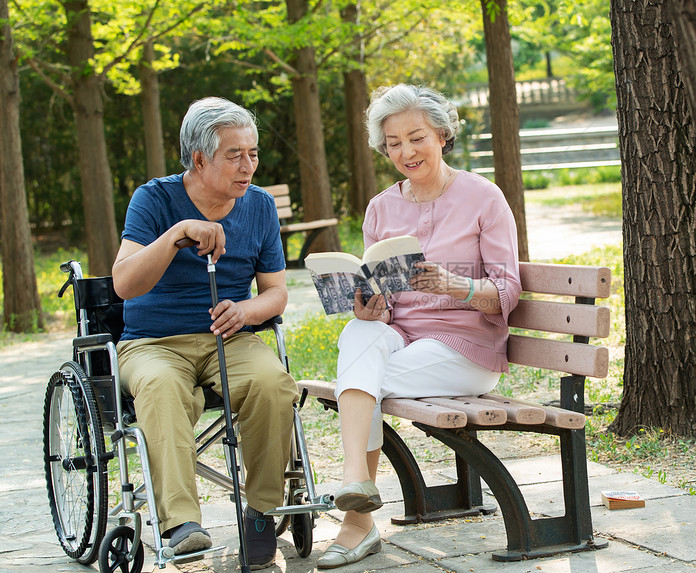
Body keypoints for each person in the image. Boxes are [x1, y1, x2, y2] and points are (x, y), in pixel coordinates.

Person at [318, 84, 522, 569]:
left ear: (442, 136)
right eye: (393, 143)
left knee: (359, 382)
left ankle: (357, 519)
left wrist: (461, 287)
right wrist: (369, 308)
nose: (406, 151)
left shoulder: (483, 197)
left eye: (416, 138)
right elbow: (382, 303)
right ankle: (358, 487)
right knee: (357, 335)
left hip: (467, 350)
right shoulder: (380, 208)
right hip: (401, 338)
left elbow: (509, 290)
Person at [112, 97, 299, 570]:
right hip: (153, 343)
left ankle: (261, 512)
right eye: (235, 155)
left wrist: (248, 309)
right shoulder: (153, 199)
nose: (248, 165)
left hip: (230, 339)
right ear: (199, 159)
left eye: (253, 153)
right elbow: (124, 284)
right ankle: (181, 525)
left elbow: (276, 293)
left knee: (272, 384)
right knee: (160, 388)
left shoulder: (257, 206)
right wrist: (176, 233)